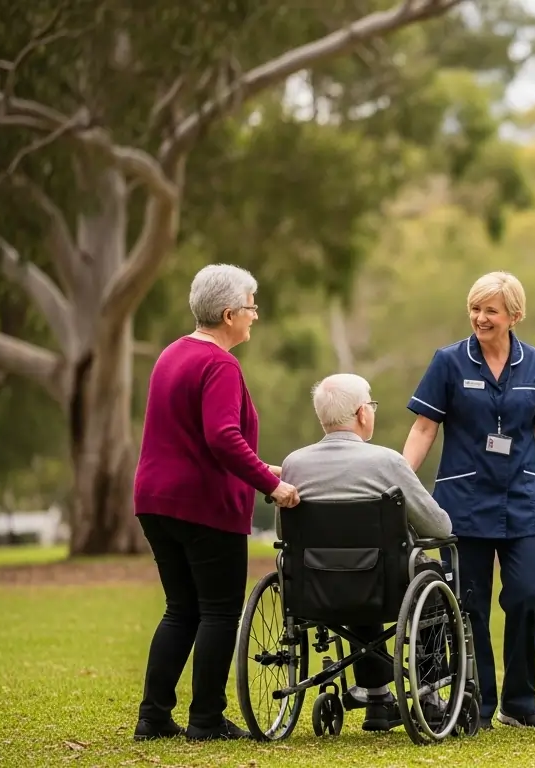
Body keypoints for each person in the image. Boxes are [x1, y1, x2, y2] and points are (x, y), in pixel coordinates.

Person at [131, 264, 299, 742]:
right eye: (251, 306)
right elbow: (222, 437)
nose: (255, 316)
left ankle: (154, 716)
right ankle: (205, 719)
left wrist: (262, 468)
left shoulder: (172, 354)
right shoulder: (220, 364)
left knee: (180, 608)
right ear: (229, 314)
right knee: (219, 611)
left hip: (155, 500)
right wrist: (272, 488)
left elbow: (193, 437)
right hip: (203, 506)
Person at [401, 271, 535, 729]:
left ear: (514, 315)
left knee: (528, 595)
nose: (480, 317)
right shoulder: (449, 362)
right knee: (469, 603)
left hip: (524, 499)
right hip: (464, 502)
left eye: (490, 310)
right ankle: (479, 702)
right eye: (475, 309)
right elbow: (423, 428)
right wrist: (398, 480)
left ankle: (519, 702)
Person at [280, 373, 454, 733]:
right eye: (371, 405)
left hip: (316, 586)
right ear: (362, 413)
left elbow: (286, 535)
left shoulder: (295, 464)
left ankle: (376, 695)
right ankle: (429, 692)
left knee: (353, 568)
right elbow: (439, 528)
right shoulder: (386, 463)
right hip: (384, 586)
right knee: (424, 575)